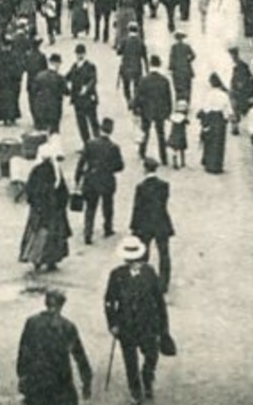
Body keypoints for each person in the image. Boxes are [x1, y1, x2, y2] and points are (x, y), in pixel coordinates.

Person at [105, 236, 171, 405]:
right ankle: (135, 390)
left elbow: (159, 301)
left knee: (151, 355)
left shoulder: (149, 273)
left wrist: (163, 327)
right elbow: (109, 301)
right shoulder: (117, 275)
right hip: (125, 324)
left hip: (148, 323)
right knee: (130, 360)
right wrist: (112, 324)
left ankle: (147, 377)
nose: (134, 261)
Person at [16, 288, 93, 405]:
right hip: (61, 383)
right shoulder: (68, 327)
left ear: (46, 303)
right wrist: (87, 382)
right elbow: (80, 357)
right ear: (62, 305)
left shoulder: (31, 322)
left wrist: (22, 376)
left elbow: (23, 352)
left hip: (36, 382)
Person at [19, 144, 72, 273]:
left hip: (39, 209)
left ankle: (36, 259)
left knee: (38, 234)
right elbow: (63, 192)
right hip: (54, 210)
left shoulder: (36, 170)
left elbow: (30, 190)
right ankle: (51, 260)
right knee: (54, 236)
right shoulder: (56, 170)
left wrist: (33, 203)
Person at [73, 117, 124, 244]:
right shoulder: (114, 147)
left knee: (90, 207)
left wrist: (78, 178)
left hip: (91, 179)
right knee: (108, 206)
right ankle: (108, 228)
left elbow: (81, 163)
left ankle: (88, 233)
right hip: (107, 180)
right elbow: (119, 166)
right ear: (111, 130)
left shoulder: (90, 144)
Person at [130, 156, 175, 292]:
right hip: (161, 221)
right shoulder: (164, 185)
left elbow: (137, 207)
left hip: (145, 223)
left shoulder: (141, 187)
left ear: (145, 169)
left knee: (143, 253)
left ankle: (143, 280)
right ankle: (164, 283)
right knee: (164, 253)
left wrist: (134, 226)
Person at [134, 55, 174, 167]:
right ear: (159, 65)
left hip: (146, 110)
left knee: (145, 132)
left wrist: (136, 109)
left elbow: (138, 95)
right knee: (161, 134)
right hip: (160, 111)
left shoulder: (144, 80)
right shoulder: (164, 81)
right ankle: (164, 157)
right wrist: (168, 112)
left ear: (151, 65)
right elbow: (168, 98)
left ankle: (142, 152)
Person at [198, 73, 233, 174]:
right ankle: (218, 165)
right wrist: (228, 118)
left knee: (210, 141)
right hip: (220, 119)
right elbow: (228, 109)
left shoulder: (209, 94)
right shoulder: (223, 95)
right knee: (219, 142)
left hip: (211, 118)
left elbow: (205, 108)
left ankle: (209, 164)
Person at [66, 43, 100, 144]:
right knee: (81, 123)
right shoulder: (74, 66)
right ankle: (87, 144)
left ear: (85, 54)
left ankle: (97, 142)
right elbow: (67, 77)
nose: (79, 56)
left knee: (93, 121)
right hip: (77, 99)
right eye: (78, 54)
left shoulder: (90, 66)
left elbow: (93, 80)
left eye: (81, 54)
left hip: (89, 99)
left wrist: (87, 88)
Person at [28, 52, 68, 136]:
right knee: (54, 133)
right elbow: (66, 91)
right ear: (57, 64)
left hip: (41, 108)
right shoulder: (59, 78)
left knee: (41, 132)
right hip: (55, 109)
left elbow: (33, 91)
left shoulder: (39, 75)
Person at [0, 37, 24, 127]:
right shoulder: (14, 55)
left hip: (1, 82)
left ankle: (4, 117)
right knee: (12, 99)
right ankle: (12, 117)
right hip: (11, 81)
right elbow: (19, 67)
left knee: (2, 100)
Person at [116, 21, 147, 108]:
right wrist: (147, 69)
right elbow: (144, 56)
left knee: (126, 86)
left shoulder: (125, 40)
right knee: (136, 86)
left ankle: (129, 100)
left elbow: (118, 52)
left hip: (126, 67)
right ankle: (135, 102)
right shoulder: (140, 41)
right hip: (137, 67)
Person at [228, 45, 253, 138]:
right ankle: (234, 126)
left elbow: (248, 77)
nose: (232, 56)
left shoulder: (242, 65)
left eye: (233, 54)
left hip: (242, 90)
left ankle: (252, 129)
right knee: (234, 108)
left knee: (243, 109)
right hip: (233, 90)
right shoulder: (229, 64)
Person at [168, 29, 196, 107]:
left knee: (178, 86)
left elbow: (171, 58)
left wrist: (171, 68)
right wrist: (188, 60)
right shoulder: (187, 46)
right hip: (186, 70)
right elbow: (193, 55)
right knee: (187, 86)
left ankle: (179, 101)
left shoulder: (174, 47)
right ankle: (187, 101)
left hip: (177, 70)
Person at [167, 103, 190, 169]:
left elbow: (169, 119)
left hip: (174, 134)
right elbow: (188, 122)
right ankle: (182, 162)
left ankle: (175, 162)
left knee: (174, 150)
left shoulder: (173, 116)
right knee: (182, 149)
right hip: (181, 135)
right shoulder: (183, 118)